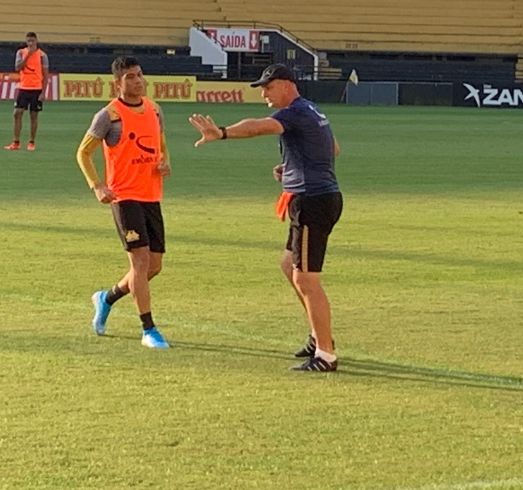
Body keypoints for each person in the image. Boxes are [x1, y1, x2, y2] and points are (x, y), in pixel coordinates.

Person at [189, 63, 343, 371]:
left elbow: (260, 126)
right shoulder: (311, 110)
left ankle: (326, 354)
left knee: (306, 278)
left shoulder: (293, 113)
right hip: (315, 196)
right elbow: (333, 148)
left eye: (268, 87)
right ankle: (318, 334)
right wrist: (292, 169)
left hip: (312, 202)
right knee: (289, 265)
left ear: (286, 85)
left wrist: (221, 133)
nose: (264, 94)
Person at [76, 56, 172, 349]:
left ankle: (107, 298)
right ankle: (149, 330)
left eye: (140, 75)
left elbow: (161, 144)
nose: (138, 81)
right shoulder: (109, 115)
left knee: (154, 266)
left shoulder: (155, 110)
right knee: (140, 262)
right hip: (124, 196)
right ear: (117, 83)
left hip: (151, 195)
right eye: (130, 77)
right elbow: (83, 153)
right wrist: (97, 186)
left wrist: (165, 161)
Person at [4, 32, 49, 151]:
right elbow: (18, 68)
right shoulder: (21, 53)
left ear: (36, 41)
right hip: (24, 88)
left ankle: (31, 142)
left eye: (33, 41)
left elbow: (46, 75)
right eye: (28, 41)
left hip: (36, 89)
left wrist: (43, 92)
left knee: (33, 116)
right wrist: (28, 55)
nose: (31, 43)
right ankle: (16, 142)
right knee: (17, 113)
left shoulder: (42, 56)